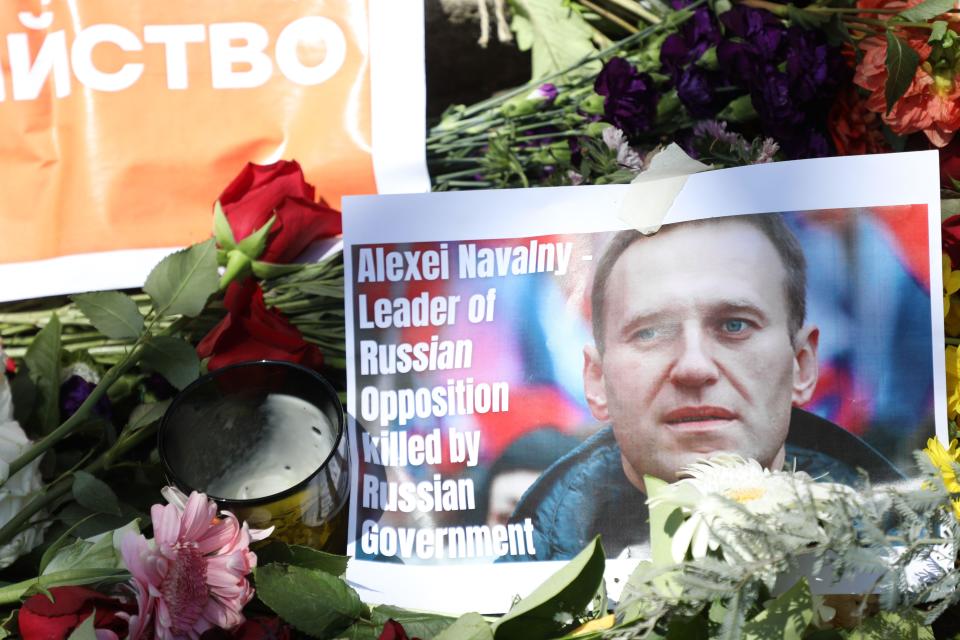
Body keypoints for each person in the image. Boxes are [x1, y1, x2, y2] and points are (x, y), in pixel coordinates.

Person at [508, 214, 903, 561]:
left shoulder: (918, 562)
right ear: (596, 380)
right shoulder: (510, 596)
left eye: (734, 325)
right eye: (650, 333)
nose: (694, 367)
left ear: (801, 366)